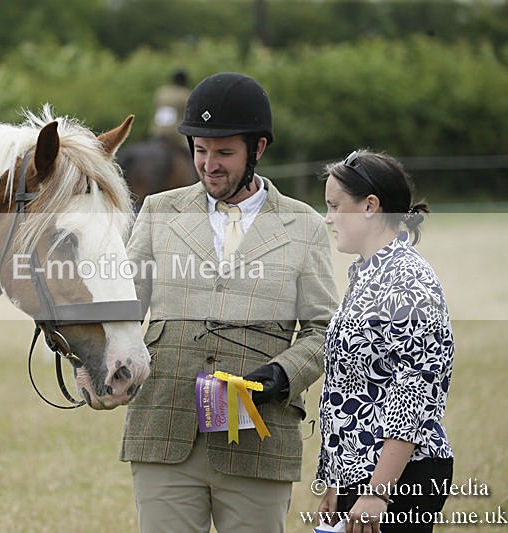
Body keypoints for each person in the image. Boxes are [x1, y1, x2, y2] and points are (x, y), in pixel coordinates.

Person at [121, 72, 338, 533]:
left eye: (224, 153)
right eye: (200, 150)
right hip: (164, 428)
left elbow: (323, 330)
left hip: (259, 436)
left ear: (258, 149)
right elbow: (125, 308)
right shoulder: (158, 211)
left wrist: (282, 375)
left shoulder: (304, 225)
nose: (208, 165)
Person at [316, 149, 455, 533]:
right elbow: (352, 387)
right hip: (361, 474)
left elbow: (414, 394)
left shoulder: (407, 280)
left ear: (370, 207)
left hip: (399, 477)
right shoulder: (367, 273)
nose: (328, 217)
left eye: (335, 206)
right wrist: (337, 481)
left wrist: (378, 491)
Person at [149, 68, 191, 149]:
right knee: (192, 149)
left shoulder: (162, 92)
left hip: (157, 130)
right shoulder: (185, 94)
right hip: (176, 132)